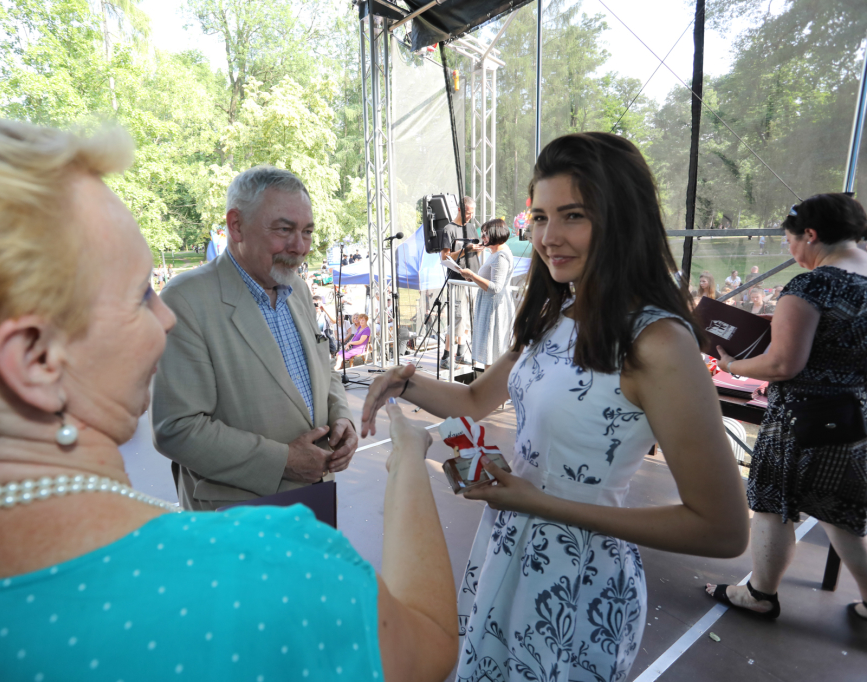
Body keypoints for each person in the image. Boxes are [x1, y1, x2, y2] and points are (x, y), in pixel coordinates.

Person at [0, 99, 459, 681]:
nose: (163, 321)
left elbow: (318, 364)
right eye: (139, 295)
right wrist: (408, 459)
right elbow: (429, 645)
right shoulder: (266, 566)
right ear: (32, 358)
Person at [360, 132, 749, 681]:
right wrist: (403, 383)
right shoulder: (552, 312)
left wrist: (538, 503)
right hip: (508, 551)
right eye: (539, 217)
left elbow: (725, 529)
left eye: (573, 216)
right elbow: (475, 399)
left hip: (582, 581)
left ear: (621, 219)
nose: (549, 237)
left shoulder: (658, 343)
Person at [151, 165, 358, 511]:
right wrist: (284, 460)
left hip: (314, 501)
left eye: (307, 231)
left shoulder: (301, 291)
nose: (300, 246)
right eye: (284, 229)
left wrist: (342, 419)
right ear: (236, 226)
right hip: (236, 514)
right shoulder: (184, 299)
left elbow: (324, 372)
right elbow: (175, 428)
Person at [711, 193, 867, 621]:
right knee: (842, 511)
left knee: (771, 505)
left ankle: (760, 593)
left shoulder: (813, 284)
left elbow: (783, 363)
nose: (791, 250)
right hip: (857, 415)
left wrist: (732, 364)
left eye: (791, 240)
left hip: (803, 419)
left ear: (812, 235)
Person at [457, 217, 515, 369]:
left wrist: (472, 275)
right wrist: (473, 278)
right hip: (489, 304)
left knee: (492, 354)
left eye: (485, 234)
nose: (482, 237)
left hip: (494, 307)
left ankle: (491, 390)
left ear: (496, 234)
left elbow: (496, 287)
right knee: (490, 354)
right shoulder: (495, 252)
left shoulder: (501, 256)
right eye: (482, 233)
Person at [440, 196, 482, 370]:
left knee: (469, 318)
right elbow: (444, 257)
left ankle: (461, 353)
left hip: (473, 279)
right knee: (457, 317)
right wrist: (465, 250)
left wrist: (477, 250)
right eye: (468, 214)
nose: (470, 217)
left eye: (472, 214)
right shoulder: (449, 229)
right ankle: (446, 356)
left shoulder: (472, 228)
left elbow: (476, 254)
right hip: (457, 280)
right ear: (460, 210)